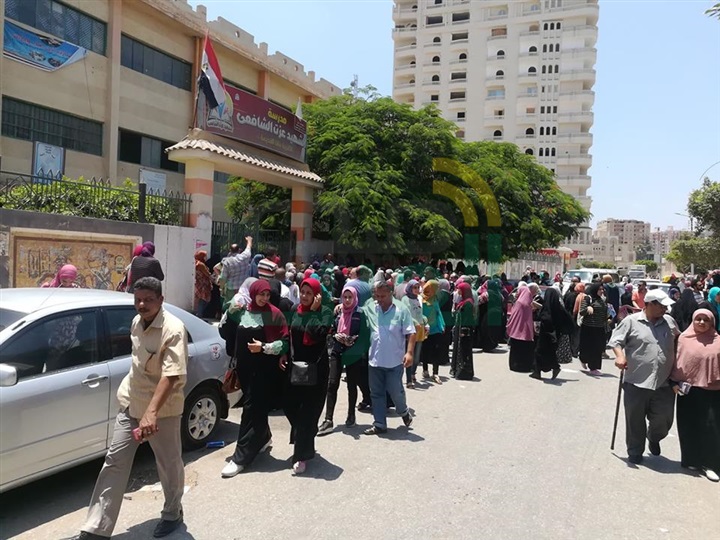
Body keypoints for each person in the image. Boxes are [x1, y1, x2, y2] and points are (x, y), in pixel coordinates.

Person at [71, 278, 187, 540]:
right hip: (131, 401)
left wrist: (152, 412)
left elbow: (171, 376)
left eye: (148, 299)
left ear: (161, 299)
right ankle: (96, 528)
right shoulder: (136, 322)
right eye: (138, 299)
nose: (142, 304)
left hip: (163, 409)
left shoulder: (173, 329)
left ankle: (172, 513)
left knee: (169, 464)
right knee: (114, 461)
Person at [220, 280, 289, 478]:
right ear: (253, 293)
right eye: (261, 294)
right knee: (255, 408)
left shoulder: (274, 314)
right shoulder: (242, 311)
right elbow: (225, 331)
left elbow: (285, 342)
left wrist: (264, 347)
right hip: (244, 370)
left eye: (267, 295)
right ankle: (263, 437)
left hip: (264, 371)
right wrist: (230, 310)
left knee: (250, 410)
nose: (264, 298)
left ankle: (241, 457)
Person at [609, 289, 679, 464]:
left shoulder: (669, 322)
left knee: (663, 420)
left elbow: (679, 340)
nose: (665, 309)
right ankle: (634, 450)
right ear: (648, 305)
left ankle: (654, 437)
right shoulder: (631, 322)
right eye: (661, 306)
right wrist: (620, 356)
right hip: (636, 380)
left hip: (664, 382)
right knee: (635, 420)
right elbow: (616, 340)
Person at [282, 278, 333, 474]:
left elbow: (317, 333)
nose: (304, 296)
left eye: (309, 293)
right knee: (289, 404)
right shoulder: (295, 310)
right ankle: (306, 433)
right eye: (302, 292)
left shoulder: (325, 313)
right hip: (295, 366)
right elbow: (289, 333)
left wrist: (313, 311)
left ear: (317, 295)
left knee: (307, 412)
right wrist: (284, 352)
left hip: (316, 370)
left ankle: (301, 455)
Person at [670, 308, 720, 482]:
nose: (701, 323)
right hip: (687, 389)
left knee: (711, 427)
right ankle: (691, 460)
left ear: (711, 322)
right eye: (698, 319)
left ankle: (711, 464)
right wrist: (673, 383)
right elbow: (676, 362)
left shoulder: (718, 340)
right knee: (688, 425)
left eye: (705, 320)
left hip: (713, 390)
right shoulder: (684, 338)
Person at [363, 281, 415, 435]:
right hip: (375, 361)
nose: (379, 299)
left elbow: (410, 332)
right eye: (377, 295)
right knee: (376, 393)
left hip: (394, 361)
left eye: (383, 296)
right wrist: (342, 307)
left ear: (391, 293)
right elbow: (357, 311)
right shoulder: (371, 307)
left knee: (395, 391)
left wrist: (410, 353)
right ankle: (379, 424)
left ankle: (403, 411)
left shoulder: (401, 309)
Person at [317, 285, 371, 435]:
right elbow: (332, 329)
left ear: (355, 298)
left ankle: (351, 415)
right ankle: (328, 420)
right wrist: (336, 335)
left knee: (351, 385)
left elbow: (365, 335)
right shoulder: (338, 312)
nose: (347, 300)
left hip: (353, 353)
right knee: (332, 383)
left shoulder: (360, 313)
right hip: (337, 351)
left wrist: (352, 340)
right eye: (345, 297)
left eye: (350, 297)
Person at [530, 288, 574, 380]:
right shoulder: (559, 308)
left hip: (546, 334)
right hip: (555, 335)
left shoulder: (547, 309)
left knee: (539, 352)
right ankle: (548, 369)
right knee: (549, 353)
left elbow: (545, 318)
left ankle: (541, 371)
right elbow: (568, 319)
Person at [578, 283, 609, 375]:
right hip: (588, 327)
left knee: (597, 348)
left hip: (599, 327)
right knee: (587, 347)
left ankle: (593, 367)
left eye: (602, 289)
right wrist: (588, 308)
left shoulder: (602, 300)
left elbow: (604, 313)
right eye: (600, 289)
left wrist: (607, 319)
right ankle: (583, 359)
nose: (602, 291)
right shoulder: (588, 299)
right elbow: (581, 312)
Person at [401, 280, 427, 386]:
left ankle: (412, 373)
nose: (416, 290)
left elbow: (420, 314)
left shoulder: (418, 299)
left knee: (417, 357)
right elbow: (406, 313)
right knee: (409, 354)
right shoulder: (405, 299)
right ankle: (408, 380)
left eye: (418, 287)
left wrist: (425, 321)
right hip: (410, 331)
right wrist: (415, 322)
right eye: (414, 288)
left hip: (420, 329)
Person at [420, 280, 445, 384]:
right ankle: (425, 370)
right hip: (424, 329)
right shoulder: (421, 300)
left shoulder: (434, 298)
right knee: (425, 350)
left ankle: (435, 373)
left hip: (435, 329)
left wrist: (442, 325)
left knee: (436, 350)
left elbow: (438, 313)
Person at [507, 286, 535, 373]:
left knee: (516, 350)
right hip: (526, 331)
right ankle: (525, 366)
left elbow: (513, 316)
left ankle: (515, 366)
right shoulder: (529, 302)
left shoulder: (519, 302)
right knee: (525, 350)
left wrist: (510, 326)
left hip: (517, 330)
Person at [219, 237, 253, 302]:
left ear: (230, 251)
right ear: (239, 250)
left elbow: (223, 277)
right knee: (242, 304)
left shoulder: (227, 261)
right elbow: (248, 247)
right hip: (243, 287)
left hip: (231, 288)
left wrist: (221, 288)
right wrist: (249, 240)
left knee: (230, 305)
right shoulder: (245, 257)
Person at [454, 282, 476, 380]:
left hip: (465, 330)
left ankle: (465, 373)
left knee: (464, 351)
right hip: (461, 328)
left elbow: (467, 319)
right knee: (461, 351)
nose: (458, 291)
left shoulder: (468, 303)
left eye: (459, 289)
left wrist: (462, 332)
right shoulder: (464, 301)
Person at [193, 251, 212, 318]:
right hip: (203, 285)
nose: (206, 257)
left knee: (200, 300)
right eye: (204, 256)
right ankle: (199, 315)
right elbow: (207, 274)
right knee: (203, 300)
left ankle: (198, 314)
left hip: (198, 284)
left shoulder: (195, 263)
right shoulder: (201, 265)